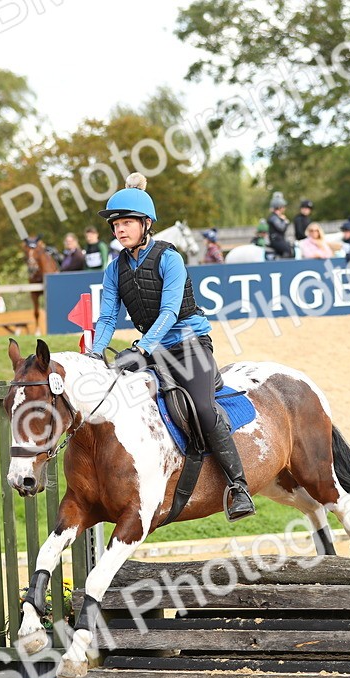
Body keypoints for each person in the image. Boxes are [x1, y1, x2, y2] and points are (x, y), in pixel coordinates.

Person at [90, 172, 255, 521]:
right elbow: (106, 317)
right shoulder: (114, 269)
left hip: (189, 345)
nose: (119, 230)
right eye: (115, 225)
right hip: (153, 349)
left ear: (146, 224)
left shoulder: (170, 258)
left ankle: (238, 487)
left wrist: (142, 349)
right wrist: (94, 353)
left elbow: (169, 311)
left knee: (204, 410)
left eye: (127, 223)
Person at [266, 193, 294, 258]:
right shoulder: (274, 217)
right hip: (276, 241)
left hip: (279, 240)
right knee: (288, 251)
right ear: (279, 207)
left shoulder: (277, 217)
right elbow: (281, 228)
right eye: (283, 207)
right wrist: (285, 221)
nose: (284, 208)